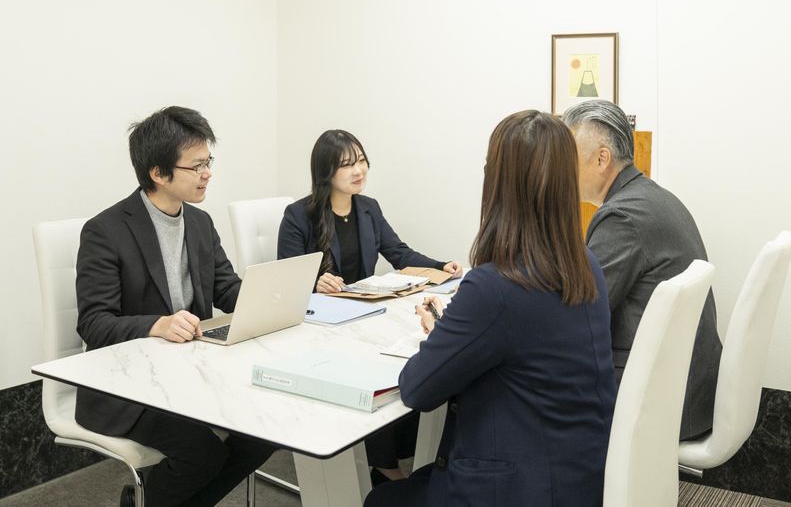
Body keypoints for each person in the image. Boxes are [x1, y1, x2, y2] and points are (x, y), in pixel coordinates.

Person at [364, 110, 616, 507]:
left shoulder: (496, 286)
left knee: (381, 500)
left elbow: (416, 388)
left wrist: (443, 335)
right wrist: (455, 332)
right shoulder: (585, 264)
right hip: (581, 476)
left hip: (521, 487)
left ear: (497, 183)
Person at [75, 106, 275, 507]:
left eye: (208, 161)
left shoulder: (200, 223)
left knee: (266, 432)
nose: (207, 173)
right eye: (197, 165)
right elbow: (94, 323)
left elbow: (226, 289)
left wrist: (273, 299)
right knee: (202, 454)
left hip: (190, 373)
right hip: (128, 385)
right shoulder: (105, 231)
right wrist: (156, 325)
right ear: (158, 172)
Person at [277, 129, 462, 483]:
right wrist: (314, 282)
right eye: (347, 164)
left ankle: (394, 453)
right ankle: (384, 464)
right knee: (375, 363)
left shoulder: (368, 208)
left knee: (404, 360)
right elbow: (285, 278)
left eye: (361, 161)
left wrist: (441, 266)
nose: (358, 170)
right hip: (319, 325)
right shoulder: (299, 215)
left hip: (361, 315)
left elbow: (399, 253)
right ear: (326, 170)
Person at [562, 99, 722, 440]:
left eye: (566, 156)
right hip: (692, 388)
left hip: (660, 398)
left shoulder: (620, 217)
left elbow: (580, 314)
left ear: (602, 159)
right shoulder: (654, 197)